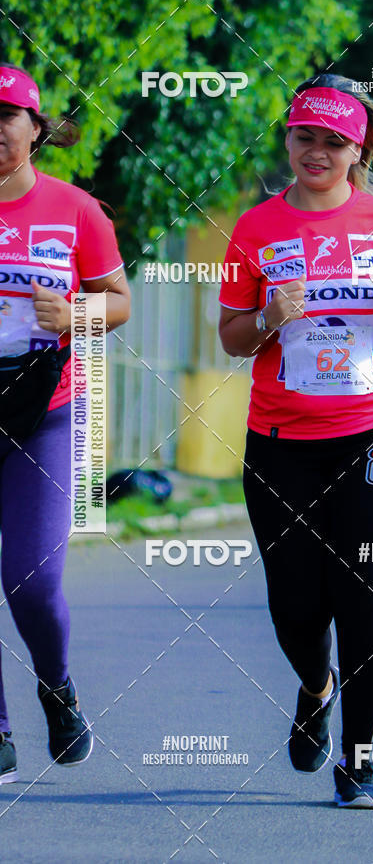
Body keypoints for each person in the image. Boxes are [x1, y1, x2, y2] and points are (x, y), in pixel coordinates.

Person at [219, 73, 373, 808]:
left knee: (364, 594)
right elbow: (231, 340)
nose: (317, 151)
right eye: (305, 135)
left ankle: (359, 764)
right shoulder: (256, 229)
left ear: (358, 147)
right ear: (287, 138)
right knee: (295, 609)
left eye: (334, 141)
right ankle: (316, 687)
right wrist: (269, 318)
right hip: (280, 440)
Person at [0, 64, 130, 784]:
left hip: (43, 412)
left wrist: (74, 312)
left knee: (32, 581)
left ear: (36, 128)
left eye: (6, 116)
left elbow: (118, 303)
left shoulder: (76, 210)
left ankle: (58, 685)